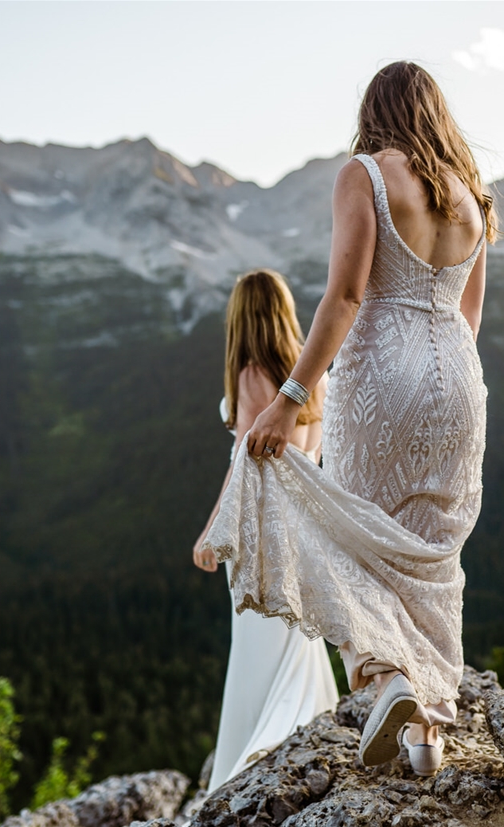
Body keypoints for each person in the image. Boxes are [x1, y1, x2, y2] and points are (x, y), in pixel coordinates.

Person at [202, 60, 497, 777]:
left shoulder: (364, 174)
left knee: (358, 538)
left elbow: (344, 297)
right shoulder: (472, 199)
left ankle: (388, 681)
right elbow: (471, 316)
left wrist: (291, 397)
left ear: (376, 112)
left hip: (379, 377)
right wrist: (442, 389)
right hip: (459, 378)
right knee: (433, 554)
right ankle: (424, 737)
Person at [191, 269, 338, 790]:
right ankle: (308, 736)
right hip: (301, 527)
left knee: (255, 643)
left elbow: (245, 465)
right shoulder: (311, 373)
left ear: (241, 317)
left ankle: (251, 758)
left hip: (258, 529)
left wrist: (212, 531)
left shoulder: (252, 374)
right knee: (295, 637)